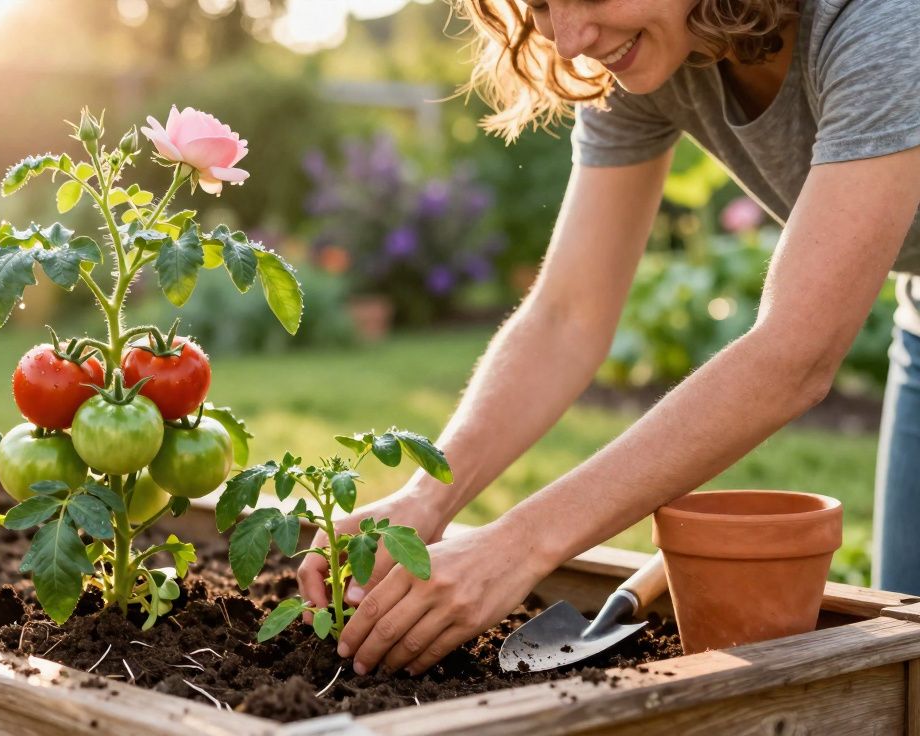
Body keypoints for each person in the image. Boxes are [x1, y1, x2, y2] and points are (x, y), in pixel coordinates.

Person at [296, 0, 920, 677]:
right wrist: (428, 496)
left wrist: (519, 546)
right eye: (539, 4)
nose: (569, 41)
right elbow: (566, 315)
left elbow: (792, 355)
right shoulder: (652, 46)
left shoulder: (884, 22)